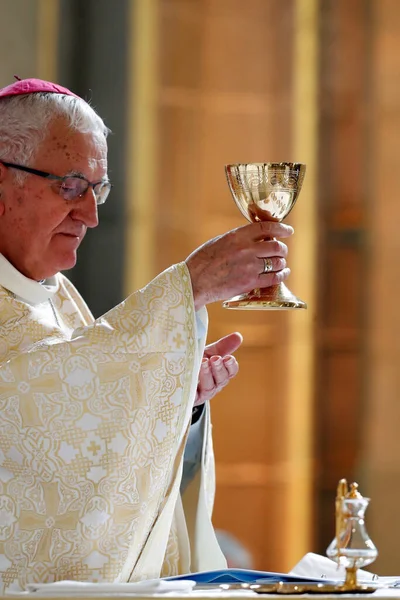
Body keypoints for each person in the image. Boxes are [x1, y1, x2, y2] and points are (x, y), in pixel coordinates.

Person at [0, 78, 293, 592]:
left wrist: (176, 391)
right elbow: (23, 410)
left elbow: (82, 429)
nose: (90, 214)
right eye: (70, 185)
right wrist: (191, 284)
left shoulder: (55, 295)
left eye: (99, 190)